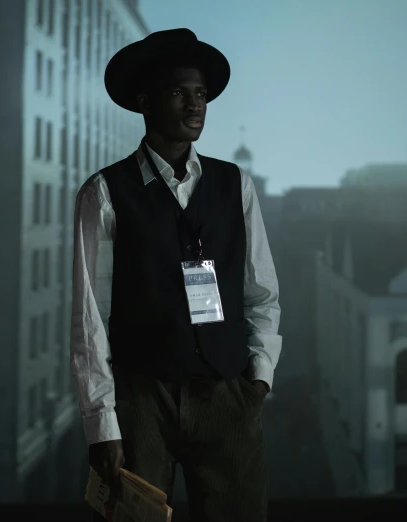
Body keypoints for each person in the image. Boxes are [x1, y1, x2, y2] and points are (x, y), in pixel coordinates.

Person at [71, 28, 281, 521]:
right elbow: (89, 317)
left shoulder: (235, 185)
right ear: (145, 101)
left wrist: (258, 380)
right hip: (142, 399)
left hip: (227, 393)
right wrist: (102, 425)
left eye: (202, 94)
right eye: (179, 92)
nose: (195, 105)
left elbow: (262, 291)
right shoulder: (104, 192)